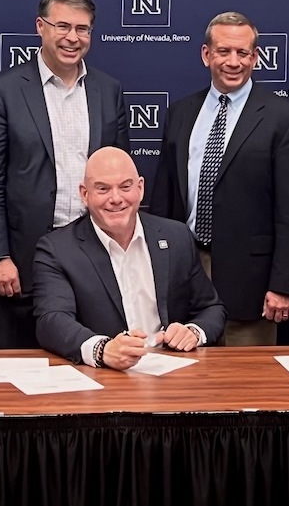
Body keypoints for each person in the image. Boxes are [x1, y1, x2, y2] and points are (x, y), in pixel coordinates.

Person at [0, 0, 129, 348]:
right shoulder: (4, 90)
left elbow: (120, 180)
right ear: (40, 27)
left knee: (94, 363)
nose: (72, 38)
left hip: (97, 255)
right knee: (16, 372)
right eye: (62, 26)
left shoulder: (109, 90)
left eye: (83, 29)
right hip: (24, 259)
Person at [149, 11, 289, 346]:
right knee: (182, 378)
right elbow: (165, 198)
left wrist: (283, 286)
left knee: (247, 388)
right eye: (224, 51)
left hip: (251, 282)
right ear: (206, 54)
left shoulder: (286, 119)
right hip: (185, 269)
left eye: (243, 53)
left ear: (255, 57)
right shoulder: (181, 113)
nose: (233, 62)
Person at [33, 147, 225, 367]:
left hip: (173, 371)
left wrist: (193, 332)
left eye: (125, 187)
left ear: (140, 188)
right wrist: (101, 349)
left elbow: (211, 308)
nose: (116, 198)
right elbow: (52, 321)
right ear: (85, 194)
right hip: (104, 377)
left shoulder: (177, 237)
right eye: (103, 189)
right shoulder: (57, 249)